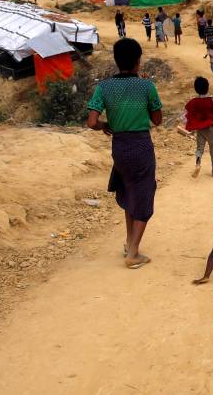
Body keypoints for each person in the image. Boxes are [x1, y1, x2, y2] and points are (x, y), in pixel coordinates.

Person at [86, 38, 163, 269]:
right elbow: (157, 120)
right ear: (138, 61)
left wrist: (104, 125)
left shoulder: (104, 87)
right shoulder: (146, 86)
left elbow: (91, 122)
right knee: (144, 194)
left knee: (129, 191)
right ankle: (133, 253)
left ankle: (130, 243)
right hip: (141, 145)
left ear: (117, 61)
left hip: (119, 147)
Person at [183, 76, 213, 178]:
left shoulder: (193, 102)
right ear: (207, 88)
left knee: (199, 148)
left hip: (200, 129)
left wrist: (189, 125)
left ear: (195, 88)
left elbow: (186, 114)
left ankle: (198, 164)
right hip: (211, 128)